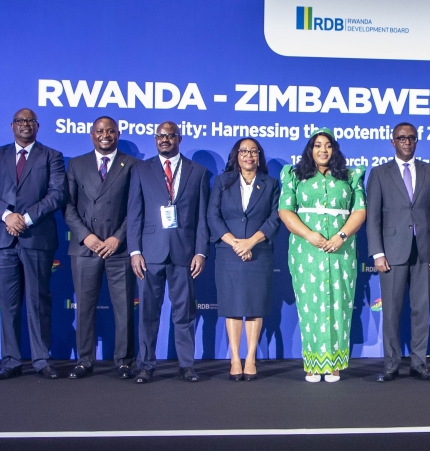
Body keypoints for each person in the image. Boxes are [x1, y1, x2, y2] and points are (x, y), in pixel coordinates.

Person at [0, 108, 66, 380]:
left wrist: (25, 218)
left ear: (37, 126)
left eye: (30, 121)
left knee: (38, 301)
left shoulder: (52, 156)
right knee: (8, 302)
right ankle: (11, 361)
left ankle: (41, 360)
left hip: (37, 237)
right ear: (12, 125)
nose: (25, 125)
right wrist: (7, 215)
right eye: (20, 121)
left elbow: (57, 194)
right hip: (4, 239)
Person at [278, 128, 366, 383]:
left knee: (339, 304)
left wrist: (341, 236)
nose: (323, 150)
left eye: (328, 145)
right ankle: (313, 364)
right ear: (310, 149)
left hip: (342, 249)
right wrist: (309, 235)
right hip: (307, 251)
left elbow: (359, 211)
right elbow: (285, 211)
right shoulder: (294, 176)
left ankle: (335, 364)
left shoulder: (350, 176)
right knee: (311, 307)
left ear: (335, 149)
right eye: (318, 145)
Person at [127, 121, 210, 383]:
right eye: (160, 136)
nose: (164, 140)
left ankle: (186, 365)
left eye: (170, 136)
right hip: (149, 254)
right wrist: (135, 251)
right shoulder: (141, 169)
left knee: (184, 313)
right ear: (155, 139)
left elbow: (202, 218)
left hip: (184, 254)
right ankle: (145, 365)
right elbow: (134, 213)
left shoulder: (198, 172)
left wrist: (201, 252)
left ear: (179, 138)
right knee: (148, 313)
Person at [366, 123, 430, 383]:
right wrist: (377, 252)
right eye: (402, 138)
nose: (407, 142)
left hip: (425, 251)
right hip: (391, 252)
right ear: (393, 142)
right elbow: (373, 218)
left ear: (417, 140)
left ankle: (419, 365)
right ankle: (391, 366)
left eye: (411, 138)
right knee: (391, 311)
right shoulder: (379, 174)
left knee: (421, 311)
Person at [63, 116, 139, 380]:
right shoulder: (76, 164)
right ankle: (84, 360)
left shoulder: (132, 165)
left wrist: (118, 237)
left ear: (118, 134)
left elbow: (135, 208)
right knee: (84, 306)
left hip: (118, 248)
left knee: (124, 307)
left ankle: (124, 361)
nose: (105, 135)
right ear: (91, 134)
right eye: (100, 131)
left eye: (110, 131)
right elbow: (68, 206)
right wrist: (86, 237)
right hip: (86, 248)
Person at [207, 138, 280, 381]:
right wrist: (236, 243)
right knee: (233, 306)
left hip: (258, 252)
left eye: (253, 151)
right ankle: (235, 359)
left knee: (255, 305)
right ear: (236, 155)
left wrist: (250, 242)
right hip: (229, 253)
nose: (249, 155)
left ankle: (250, 358)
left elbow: (274, 219)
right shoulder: (222, 182)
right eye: (244, 151)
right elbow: (213, 217)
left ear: (259, 155)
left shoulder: (270, 184)